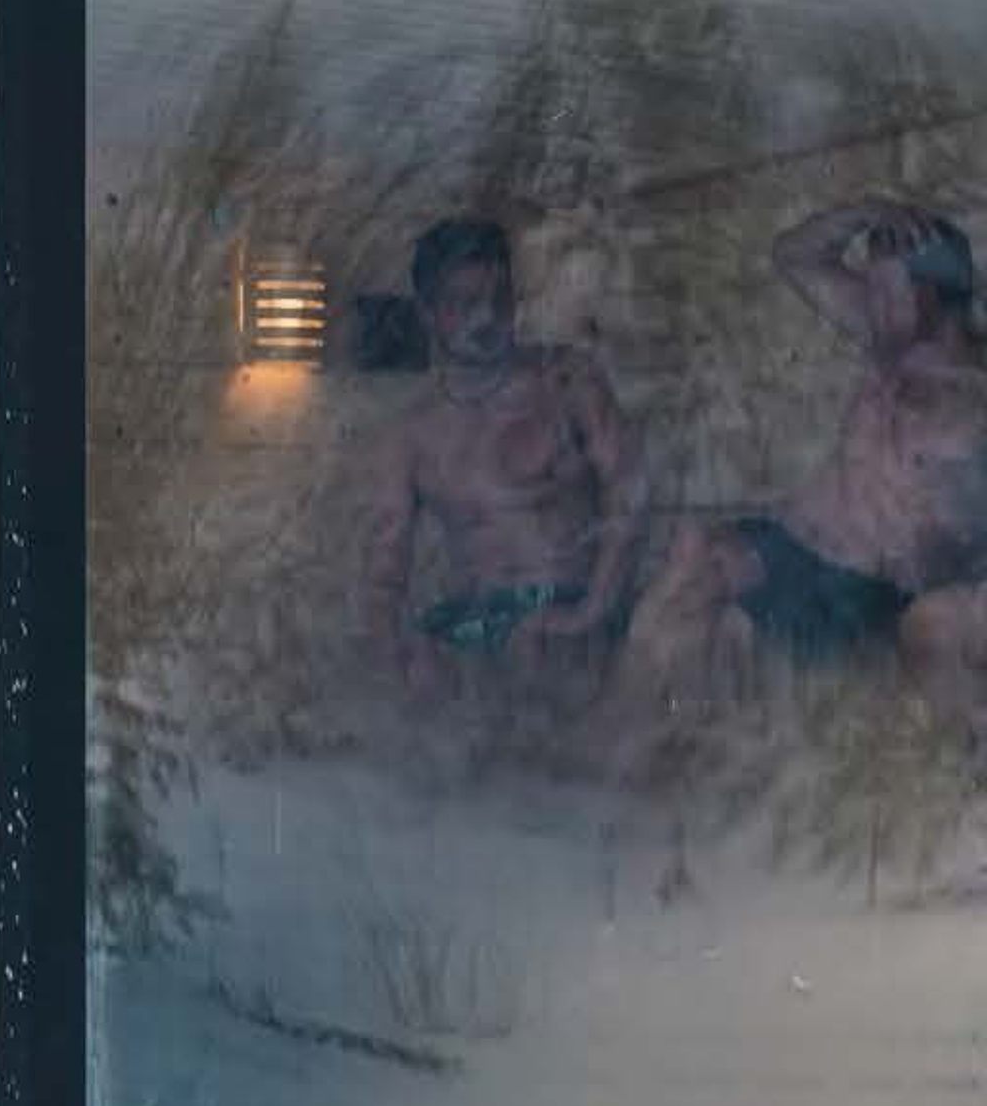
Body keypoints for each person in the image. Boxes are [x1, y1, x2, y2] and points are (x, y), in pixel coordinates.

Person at [613, 199, 987, 733]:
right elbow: (794, 255)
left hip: (873, 592)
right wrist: (866, 213)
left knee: (930, 633)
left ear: (928, 297)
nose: (867, 301)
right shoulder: (888, 339)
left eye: (883, 289)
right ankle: (613, 739)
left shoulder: (974, 390)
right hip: (798, 554)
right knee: (693, 556)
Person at [358, 218, 650, 714]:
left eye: (498, 298)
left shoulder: (567, 381)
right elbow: (384, 572)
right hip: (479, 620)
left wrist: (594, 608)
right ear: (429, 314)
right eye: (464, 303)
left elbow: (630, 493)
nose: (487, 317)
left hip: (572, 606)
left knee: (531, 653)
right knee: (427, 681)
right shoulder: (411, 434)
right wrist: (394, 655)